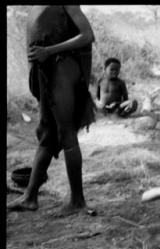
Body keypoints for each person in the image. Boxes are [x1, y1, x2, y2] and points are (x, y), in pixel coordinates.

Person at [7, 5, 96, 216]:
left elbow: (87, 35)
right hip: (47, 73)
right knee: (47, 135)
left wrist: (49, 51)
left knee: (67, 134)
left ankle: (77, 200)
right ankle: (30, 196)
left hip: (62, 69)